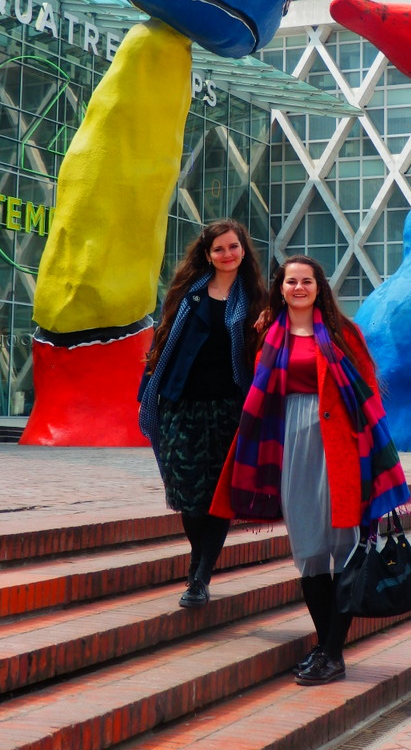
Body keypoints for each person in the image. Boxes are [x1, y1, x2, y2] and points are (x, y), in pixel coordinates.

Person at [211, 255, 411, 686]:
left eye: (306, 281)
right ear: (280, 289)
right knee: (308, 552)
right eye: (291, 282)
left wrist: (372, 454)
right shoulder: (269, 335)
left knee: (345, 546)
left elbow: (368, 393)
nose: (299, 288)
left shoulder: (343, 333)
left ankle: (332, 653)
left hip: (340, 448)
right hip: (289, 446)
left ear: (319, 287)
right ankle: (325, 647)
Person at [139, 219, 267, 609]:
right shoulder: (187, 293)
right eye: (219, 249)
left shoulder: (257, 299)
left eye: (233, 247)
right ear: (208, 254)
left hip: (231, 409)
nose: (227, 254)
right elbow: (163, 341)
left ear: (243, 250)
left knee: (219, 495)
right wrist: (148, 392)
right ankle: (199, 560)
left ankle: (200, 577)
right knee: (188, 494)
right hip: (182, 405)